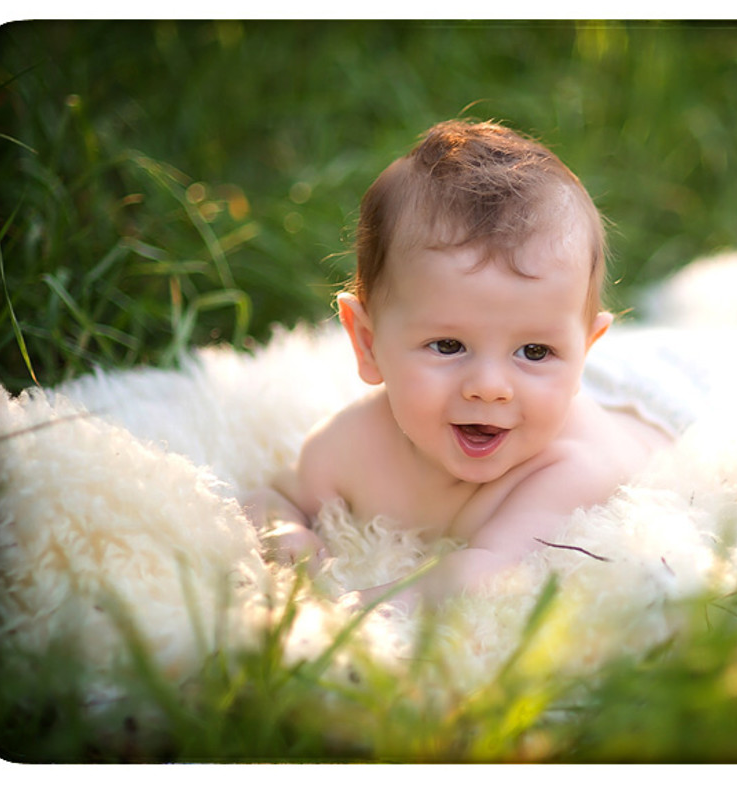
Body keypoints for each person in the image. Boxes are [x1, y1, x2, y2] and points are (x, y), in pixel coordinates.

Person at [242, 119, 674, 606]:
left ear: (584, 354)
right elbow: (275, 496)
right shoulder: (349, 446)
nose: (489, 387)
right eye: (448, 345)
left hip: (664, 402)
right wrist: (286, 536)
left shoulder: (566, 469)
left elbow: (485, 570)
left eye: (535, 351)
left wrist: (351, 611)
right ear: (367, 342)